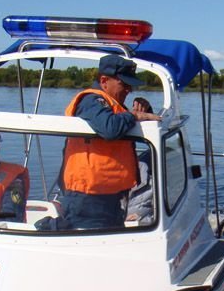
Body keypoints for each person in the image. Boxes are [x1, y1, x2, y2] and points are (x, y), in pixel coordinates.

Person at [58, 55, 160, 229]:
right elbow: (110, 128)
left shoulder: (112, 104)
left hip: (111, 195)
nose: (129, 90)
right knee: (89, 243)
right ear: (104, 80)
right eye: (124, 84)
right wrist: (134, 116)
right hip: (88, 198)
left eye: (130, 85)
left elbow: (123, 123)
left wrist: (143, 111)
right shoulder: (91, 101)